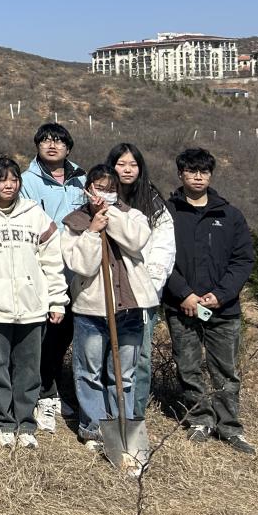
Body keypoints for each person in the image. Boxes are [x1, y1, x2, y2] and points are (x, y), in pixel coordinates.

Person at [0, 157, 66, 449]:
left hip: (31, 306)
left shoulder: (34, 214)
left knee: (28, 369)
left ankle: (26, 423)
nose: (9, 185)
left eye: (14, 179)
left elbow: (52, 261)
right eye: (2, 179)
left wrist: (57, 300)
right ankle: (2, 422)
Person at [163, 148, 255, 454]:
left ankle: (229, 426)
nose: (198, 177)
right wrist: (184, 293)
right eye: (191, 171)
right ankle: (199, 419)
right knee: (188, 366)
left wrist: (221, 294)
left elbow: (243, 260)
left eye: (203, 171)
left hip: (223, 309)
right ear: (181, 174)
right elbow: (160, 258)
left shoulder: (230, 215)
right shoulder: (167, 213)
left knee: (225, 371)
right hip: (182, 306)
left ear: (211, 175)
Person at [60, 165, 154, 451]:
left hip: (129, 308)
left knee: (123, 374)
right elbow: (82, 266)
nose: (104, 194)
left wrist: (109, 214)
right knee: (89, 372)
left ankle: (122, 426)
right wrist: (92, 231)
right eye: (99, 188)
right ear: (87, 189)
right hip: (91, 310)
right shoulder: (74, 222)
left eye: (111, 189)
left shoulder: (133, 216)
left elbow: (135, 241)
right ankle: (93, 428)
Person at [20, 123, 87, 433]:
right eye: (45, 140)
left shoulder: (81, 180)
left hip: (77, 269)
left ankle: (52, 387)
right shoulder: (26, 181)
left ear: (68, 148)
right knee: (43, 332)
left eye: (59, 141)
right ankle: (41, 392)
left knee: (64, 333)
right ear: (37, 146)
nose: (52, 145)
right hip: (43, 267)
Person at [107, 143, 175, 420]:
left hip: (142, 292)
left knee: (140, 356)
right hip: (107, 290)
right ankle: (108, 410)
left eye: (133, 164)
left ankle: (134, 413)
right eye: (121, 164)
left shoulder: (153, 202)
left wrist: (151, 283)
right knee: (108, 353)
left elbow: (164, 247)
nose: (127, 169)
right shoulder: (102, 198)